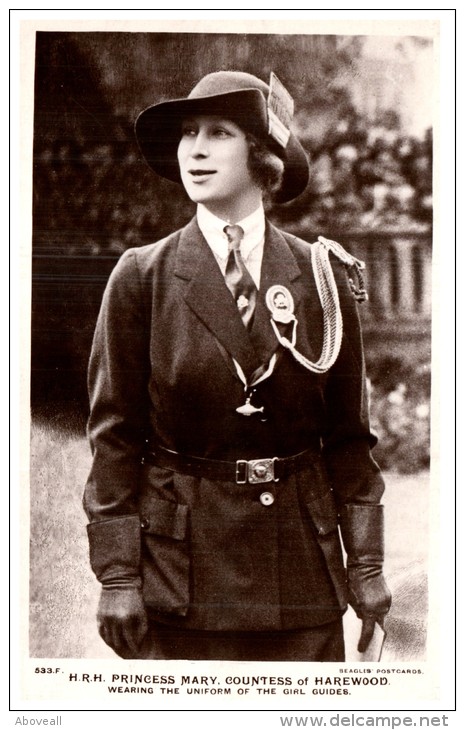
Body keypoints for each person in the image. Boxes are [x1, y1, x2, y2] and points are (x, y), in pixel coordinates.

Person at [83, 70, 391, 661]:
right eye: (187, 134)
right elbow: (114, 438)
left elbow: (351, 439)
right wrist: (119, 576)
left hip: (300, 575)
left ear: (261, 158)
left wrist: (368, 565)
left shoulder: (322, 278)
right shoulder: (142, 277)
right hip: (182, 576)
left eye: (218, 132)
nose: (194, 149)